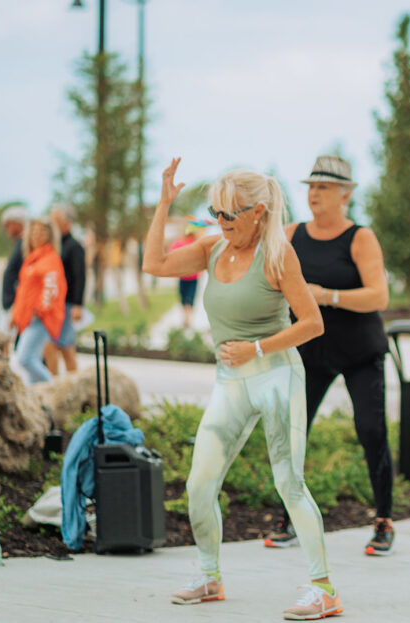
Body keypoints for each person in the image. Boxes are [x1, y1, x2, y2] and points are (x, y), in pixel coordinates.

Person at [143, 158, 342, 620]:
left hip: (277, 376)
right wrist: (164, 203)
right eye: (216, 213)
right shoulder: (214, 249)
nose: (221, 223)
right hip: (231, 383)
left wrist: (257, 347)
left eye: (230, 214)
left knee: (289, 481)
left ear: (258, 212)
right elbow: (154, 263)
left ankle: (324, 588)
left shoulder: (278, 255)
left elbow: (312, 324)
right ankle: (210, 578)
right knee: (198, 484)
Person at [263, 155, 394, 557]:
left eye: (323, 187)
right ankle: (287, 518)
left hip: (359, 353)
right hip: (310, 353)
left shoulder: (360, 237)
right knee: (293, 434)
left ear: (346, 194)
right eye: (311, 186)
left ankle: (383, 520)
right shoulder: (290, 233)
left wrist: (327, 296)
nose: (314, 193)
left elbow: (379, 295)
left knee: (371, 431)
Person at [10, 217, 66, 385]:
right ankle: (36, 401)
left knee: (24, 358)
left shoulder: (50, 259)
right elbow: (23, 291)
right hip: (28, 318)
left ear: (49, 235)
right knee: (32, 360)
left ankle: (55, 389)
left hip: (41, 319)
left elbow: (52, 288)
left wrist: (39, 311)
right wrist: (15, 315)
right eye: (34, 232)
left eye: (42, 232)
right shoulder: (32, 259)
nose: (37, 235)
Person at [43, 204, 87, 375]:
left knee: (65, 348)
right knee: (53, 346)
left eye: (55, 220)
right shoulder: (55, 245)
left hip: (68, 305)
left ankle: (72, 386)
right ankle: (57, 383)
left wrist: (78, 305)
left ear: (67, 222)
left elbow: (80, 276)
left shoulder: (74, 247)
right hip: (56, 305)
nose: (51, 224)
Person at [0, 205, 28, 334]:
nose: (6, 229)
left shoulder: (25, 245)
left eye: (7, 225)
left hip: (17, 303)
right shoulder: (19, 244)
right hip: (12, 303)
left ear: (18, 224)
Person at [169, 225, 203, 328]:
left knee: (187, 298)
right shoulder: (188, 242)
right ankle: (186, 317)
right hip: (186, 276)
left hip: (191, 276)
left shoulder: (195, 242)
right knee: (186, 298)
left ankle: (187, 318)